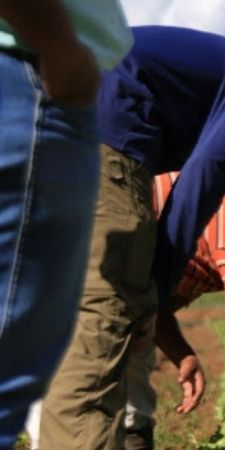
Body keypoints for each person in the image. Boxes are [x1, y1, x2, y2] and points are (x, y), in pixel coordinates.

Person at [39, 25, 225, 449]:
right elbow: (205, 179)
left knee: (76, 324)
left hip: (52, 125)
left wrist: (163, 323)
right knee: (102, 333)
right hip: (101, 142)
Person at [25, 173, 225, 450]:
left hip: (108, 249)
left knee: (130, 355)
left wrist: (183, 354)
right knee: (75, 374)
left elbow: (150, 299)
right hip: (89, 245)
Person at [0, 1, 132, 447]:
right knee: (10, 358)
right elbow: (206, 175)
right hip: (30, 69)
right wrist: (59, 45)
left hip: (36, 60)